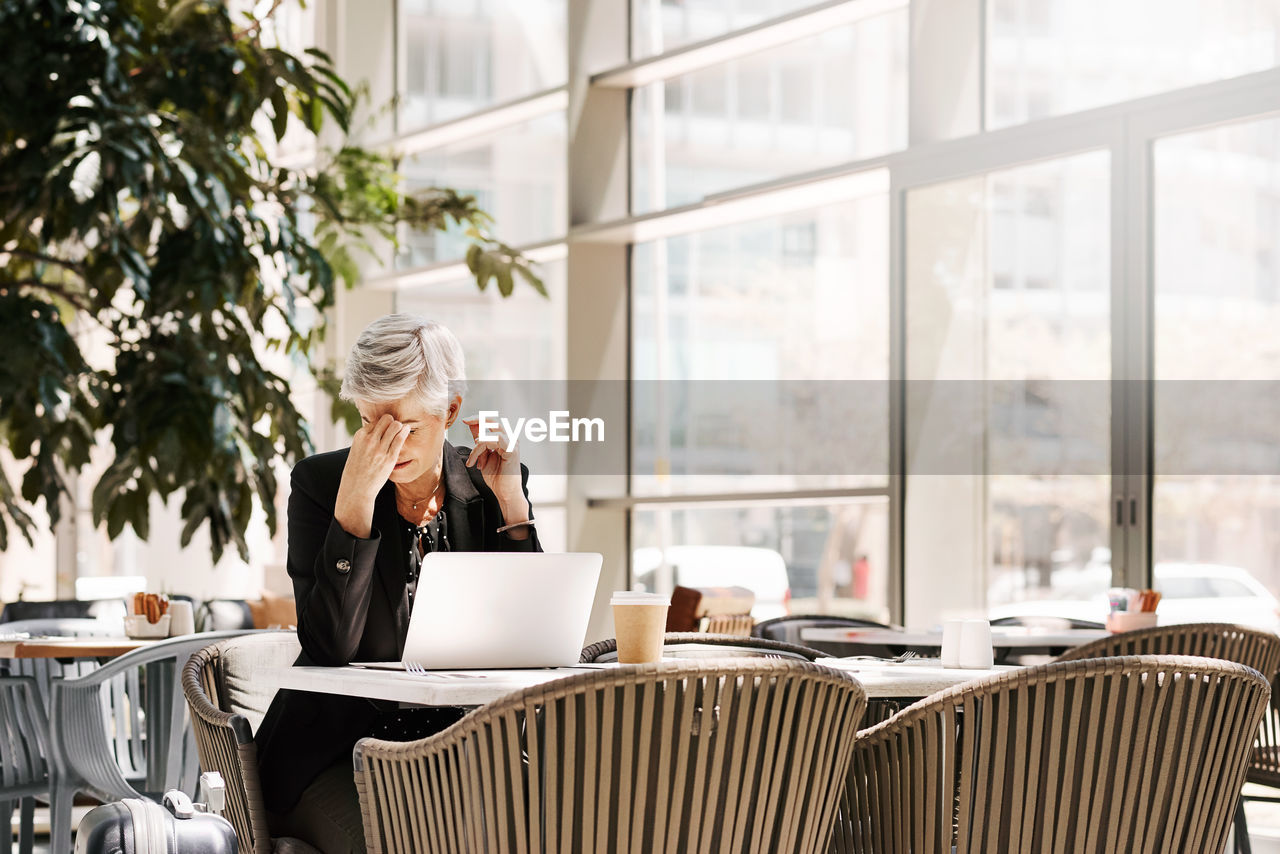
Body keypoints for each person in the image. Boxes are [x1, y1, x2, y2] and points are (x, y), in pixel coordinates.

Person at [254, 314, 540, 853]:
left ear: (450, 409)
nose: (388, 444)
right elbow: (328, 648)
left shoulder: (491, 480)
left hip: (458, 755)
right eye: (369, 423)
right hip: (337, 753)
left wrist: (513, 511)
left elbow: (528, 640)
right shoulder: (320, 484)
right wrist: (354, 510)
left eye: (405, 425)